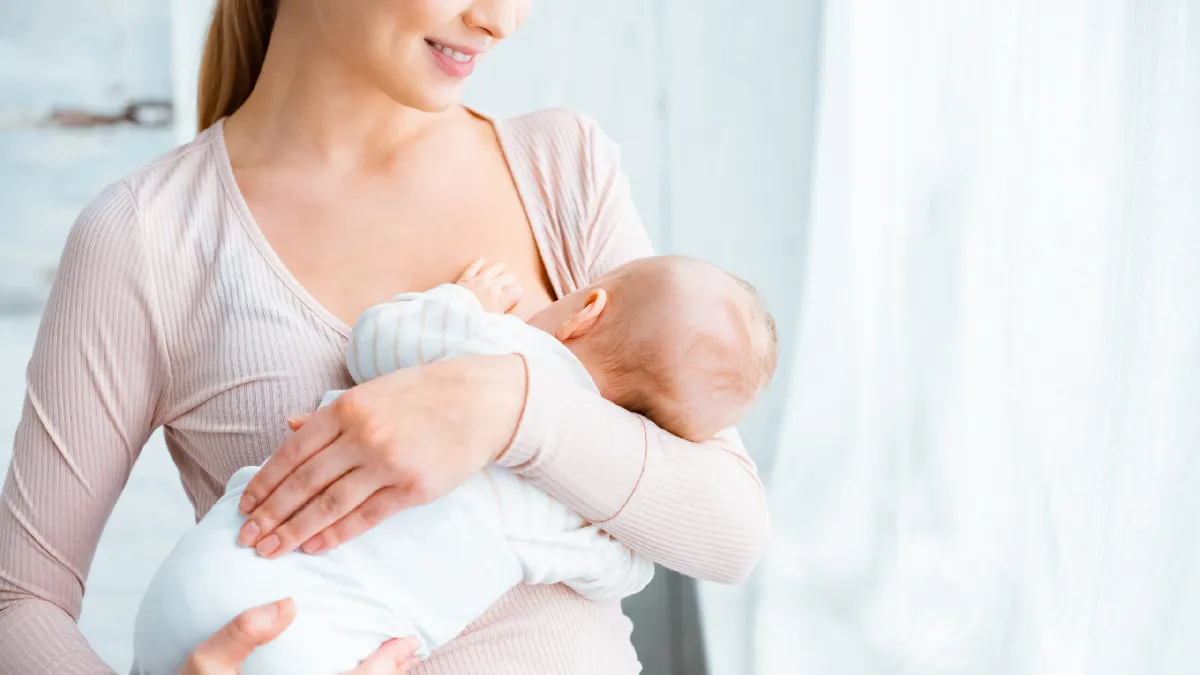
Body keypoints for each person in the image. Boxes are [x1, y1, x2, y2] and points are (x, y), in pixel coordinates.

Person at [0, 1, 770, 673]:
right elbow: (18, 599)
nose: (502, 18)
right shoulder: (152, 239)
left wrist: (504, 401)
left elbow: (731, 531)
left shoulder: (561, 166)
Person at [131, 255, 777, 675]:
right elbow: (624, 568)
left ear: (587, 310)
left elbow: (372, 340)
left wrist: (460, 302)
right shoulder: (575, 513)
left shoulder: (493, 341)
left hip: (208, 574)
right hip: (313, 650)